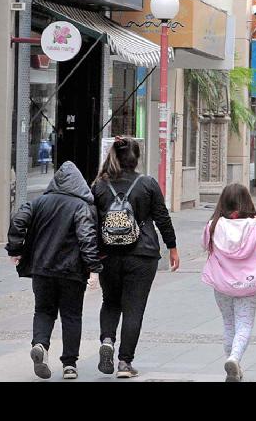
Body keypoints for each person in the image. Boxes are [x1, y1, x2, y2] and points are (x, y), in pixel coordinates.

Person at [91, 136, 179, 379]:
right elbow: (162, 217)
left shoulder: (99, 185)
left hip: (108, 253)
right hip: (142, 254)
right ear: (136, 158)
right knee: (134, 308)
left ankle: (107, 339)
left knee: (110, 302)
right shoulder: (147, 183)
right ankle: (124, 362)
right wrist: (172, 247)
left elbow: (90, 221)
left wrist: (89, 253)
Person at [6, 160, 102, 380]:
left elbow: (18, 220)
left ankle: (40, 344)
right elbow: (87, 238)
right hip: (72, 272)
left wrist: (15, 249)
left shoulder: (39, 202)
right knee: (71, 315)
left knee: (43, 311)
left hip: (42, 269)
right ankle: (69, 365)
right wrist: (94, 269)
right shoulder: (81, 207)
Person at [201, 183, 256, 382]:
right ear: (247, 202)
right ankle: (234, 358)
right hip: (248, 284)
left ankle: (233, 364)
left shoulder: (213, 225)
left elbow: (204, 244)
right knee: (244, 324)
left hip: (221, 283)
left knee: (228, 324)